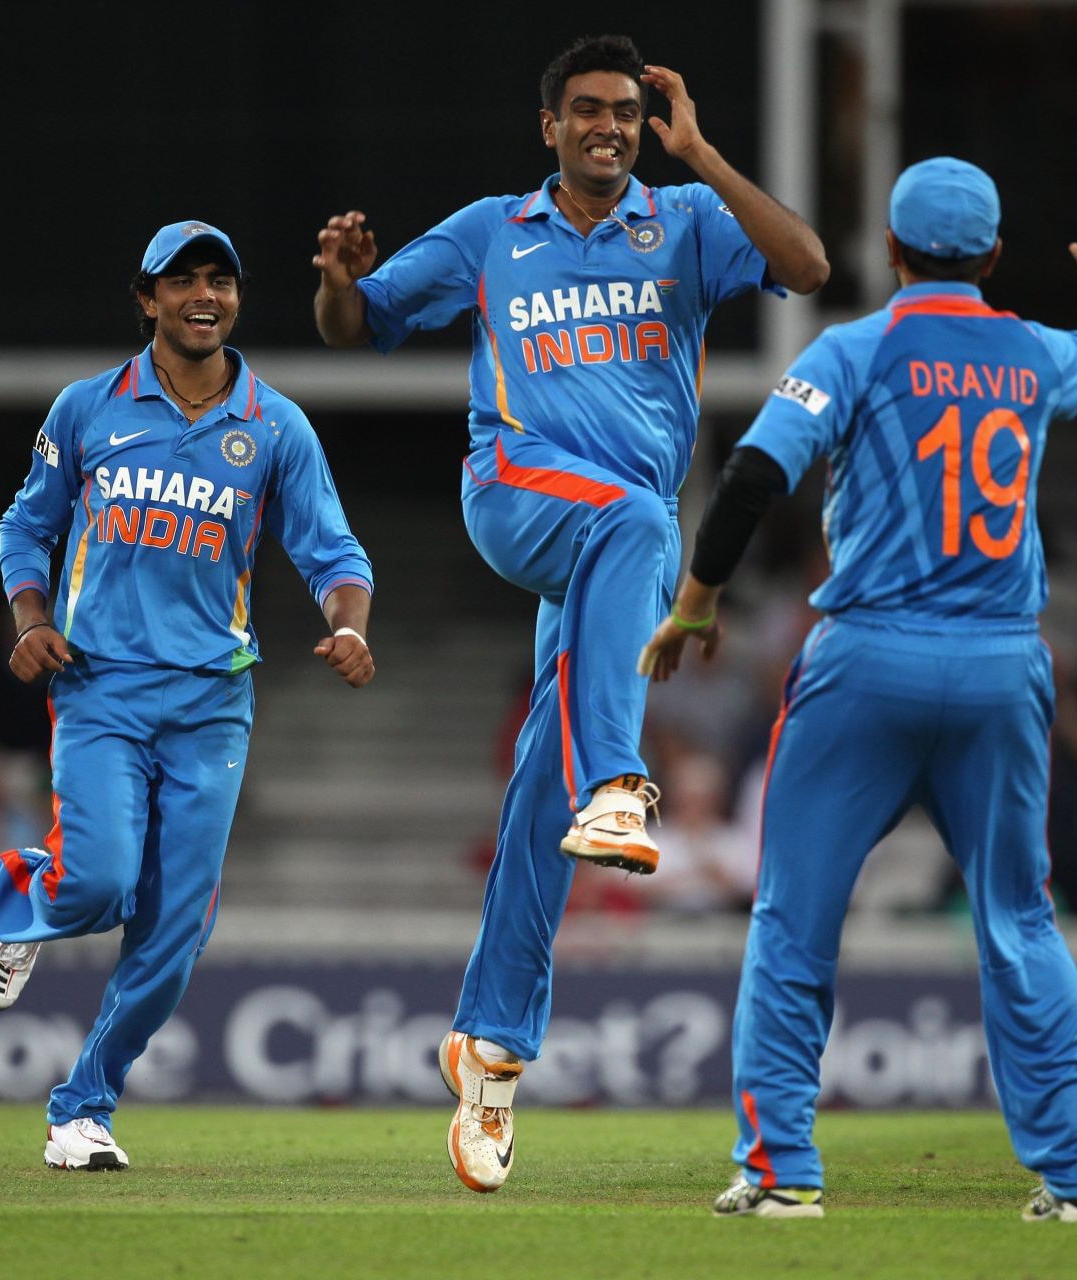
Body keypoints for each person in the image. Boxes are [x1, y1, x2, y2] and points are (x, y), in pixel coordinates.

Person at [311, 34, 827, 1193]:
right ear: (548, 124)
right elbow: (361, 326)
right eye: (588, 109)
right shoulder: (493, 230)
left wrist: (705, 154)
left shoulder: (686, 218)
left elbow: (807, 263)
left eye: (628, 114)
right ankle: (616, 781)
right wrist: (341, 280)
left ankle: (487, 1054)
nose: (610, 126)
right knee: (647, 521)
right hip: (518, 491)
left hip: (611, 556)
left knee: (541, 783)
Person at [640, 159, 1077, 1221]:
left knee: (795, 916)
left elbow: (751, 476)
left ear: (891, 252)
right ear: (993, 255)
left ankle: (782, 1169)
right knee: (1020, 917)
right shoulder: (1028, 348)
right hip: (999, 664)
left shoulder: (856, 347)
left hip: (868, 660)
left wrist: (697, 599)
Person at [0, 220, 376, 1172]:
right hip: (100, 688)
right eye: (182, 280)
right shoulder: (87, 409)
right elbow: (23, 528)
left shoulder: (276, 424)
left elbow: (334, 551)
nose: (205, 296)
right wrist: (29, 621)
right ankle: (22, 892)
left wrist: (350, 623)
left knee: (176, 928)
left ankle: (84, 1109)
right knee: (102, 883)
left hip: (211, 702)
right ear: (145, 299)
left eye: (221, 280)